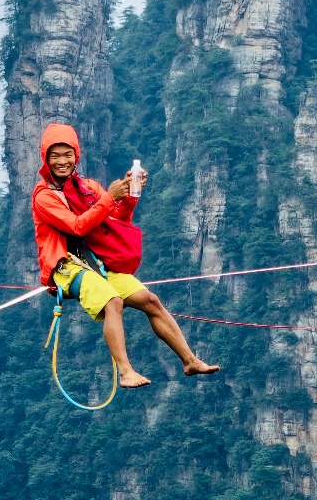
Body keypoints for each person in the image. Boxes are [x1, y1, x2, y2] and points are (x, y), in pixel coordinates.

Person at [32, 123, 220, 388]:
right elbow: (78, 226)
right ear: (46, 159)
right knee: (113, 302)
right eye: (55, 156)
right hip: (65, 267)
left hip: (95, 262)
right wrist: (109, 197)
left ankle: (189, 360)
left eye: (67, 154)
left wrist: (129, 197)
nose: (62, 161)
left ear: (77, 155)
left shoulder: (88, 188)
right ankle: (126, 372)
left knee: (149, 300)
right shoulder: (44, 197)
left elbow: (113, 221)